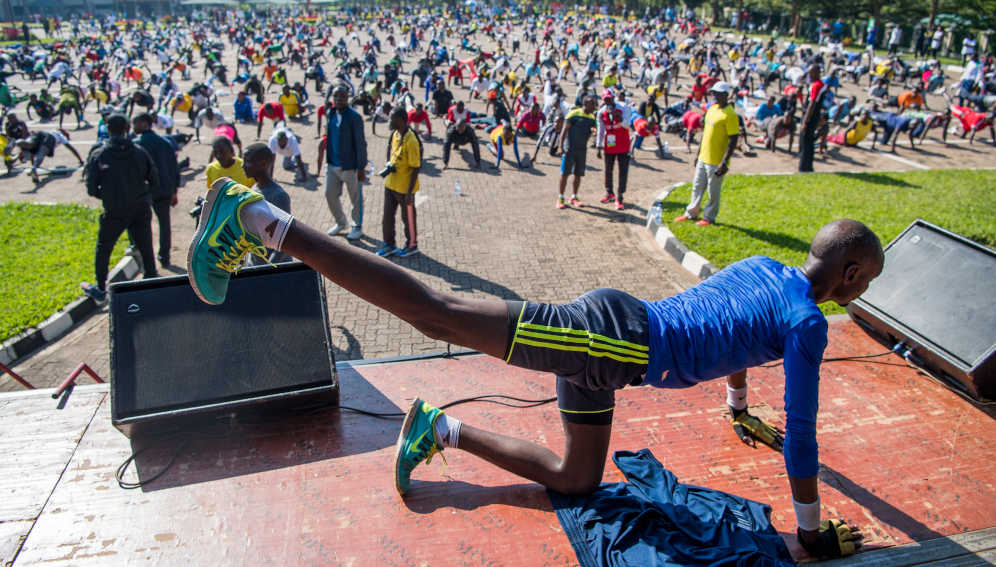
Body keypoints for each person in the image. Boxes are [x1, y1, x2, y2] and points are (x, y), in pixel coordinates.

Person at [189, 190, 880, 561]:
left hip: (617, 349)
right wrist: (811, 533)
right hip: (608, 341)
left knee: (578, 481)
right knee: (439, 313)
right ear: (848, 273)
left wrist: (735, 406)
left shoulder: (768, 270)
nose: (862, 293)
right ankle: (259, 220)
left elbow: (736, 333)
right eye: (866, 281)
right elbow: (803, 440)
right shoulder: (809, 322)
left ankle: (442, 428)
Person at [80, 114, 159, 303]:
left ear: (108, 129)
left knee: (103, 249)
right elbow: (154, 179)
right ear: (127, 128)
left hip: (114, 210)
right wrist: (141, 194)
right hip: (140, 208)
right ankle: (152, 282)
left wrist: (110, 196)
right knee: (146, 247)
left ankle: (100, 288)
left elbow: (91, 189)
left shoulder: (99, 155)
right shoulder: (140, 152)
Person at [674, 82, 739, 226]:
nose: (714, 95)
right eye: (713, 93)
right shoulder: (712, 109)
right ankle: (691, 213)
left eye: (717, 93)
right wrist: (698, 154)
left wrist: (724, 162)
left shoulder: (730, 114)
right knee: (697, 186)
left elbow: (733, 140)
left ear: (726, 95)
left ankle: (709, 217)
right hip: (704, 156)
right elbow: (705, 134)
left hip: (716, 160)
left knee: (712, 191)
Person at [320, 84, 368, 240]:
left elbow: (361, 144)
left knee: (355, 198)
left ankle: (357, 226)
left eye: (342, 96)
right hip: (332, 164)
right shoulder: (330, 113)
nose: (338, 99)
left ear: (347, 98)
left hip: (350, 167)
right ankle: (341, 222)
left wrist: (361, 167)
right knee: (329, 194)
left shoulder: (354, 117)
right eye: (336, 96)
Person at [133, 113, 180, 268]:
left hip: (145, 191)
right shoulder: (165, 142)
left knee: (143, 226)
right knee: (164, 224)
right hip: (165, 189)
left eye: (136, 123)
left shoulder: (137, 145)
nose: (134, 127)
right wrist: (174, 191)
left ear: (146, 124)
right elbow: (174, 168)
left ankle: (147, 260)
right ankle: (164, 257)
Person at [375, 107, 421, 258]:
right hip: (391, 184)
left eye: (392, 118)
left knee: (407, 218)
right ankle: (389, 244)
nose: (389, 120)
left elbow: (415, 168)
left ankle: (412, 245)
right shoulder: (395, 134)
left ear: (401, 120)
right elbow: (391, 150)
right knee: (387, 217)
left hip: (405, 188)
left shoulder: (412, 140)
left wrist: (409, 193)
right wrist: (389, 163)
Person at [242, 143, 292, 265]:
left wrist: (268, 270)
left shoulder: (278, 196)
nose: (243, 166)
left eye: (247, 161)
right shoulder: (254, 189)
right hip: (254, 264)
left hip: (272, 268)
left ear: (263, 164)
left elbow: (285, 241)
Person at [556, 95, 597, 209]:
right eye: (592, 104)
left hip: (582, 150)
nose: (594, 106)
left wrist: (594, 132)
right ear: (585, 104)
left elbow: (593, 128)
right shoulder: (573, 114)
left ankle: (574, 197)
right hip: (569, 148)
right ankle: (560, 197)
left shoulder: (592, 117)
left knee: (578, 174)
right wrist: (560, 146)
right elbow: (564, 130)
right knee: (565, 173)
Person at [15, 129, 84, 185]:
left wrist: (33, 164)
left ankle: (15, 142)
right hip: (50, 137)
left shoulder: (51, 130)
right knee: (41, 154)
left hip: (40, 133)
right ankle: (34, 169)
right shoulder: (60, 135)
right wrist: (80, 160)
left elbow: (32, 154)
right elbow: (71, 148)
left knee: (30, 145)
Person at [596, 103, 631, 210]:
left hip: (623, 145)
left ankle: (620, 197)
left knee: (623, 171)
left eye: (609, 99)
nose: (608, 102)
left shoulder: (624, 108)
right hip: (610, 145)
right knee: (608, 170)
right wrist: (599, 145)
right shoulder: (602, 113)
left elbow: (627, 125)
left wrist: (618, 116)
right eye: (605, 100)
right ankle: (609, 193)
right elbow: (601, 130)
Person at [799, 65, 827, 173]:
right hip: (814, 116)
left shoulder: (817, 85)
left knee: (805, 142)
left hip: (810, 117)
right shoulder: (819, 84)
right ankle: (808, 166)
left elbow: (812, 104)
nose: (809, 75)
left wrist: (805, 121)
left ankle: (803, 167)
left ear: (816, 73)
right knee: (809, 142)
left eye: (810, 73)